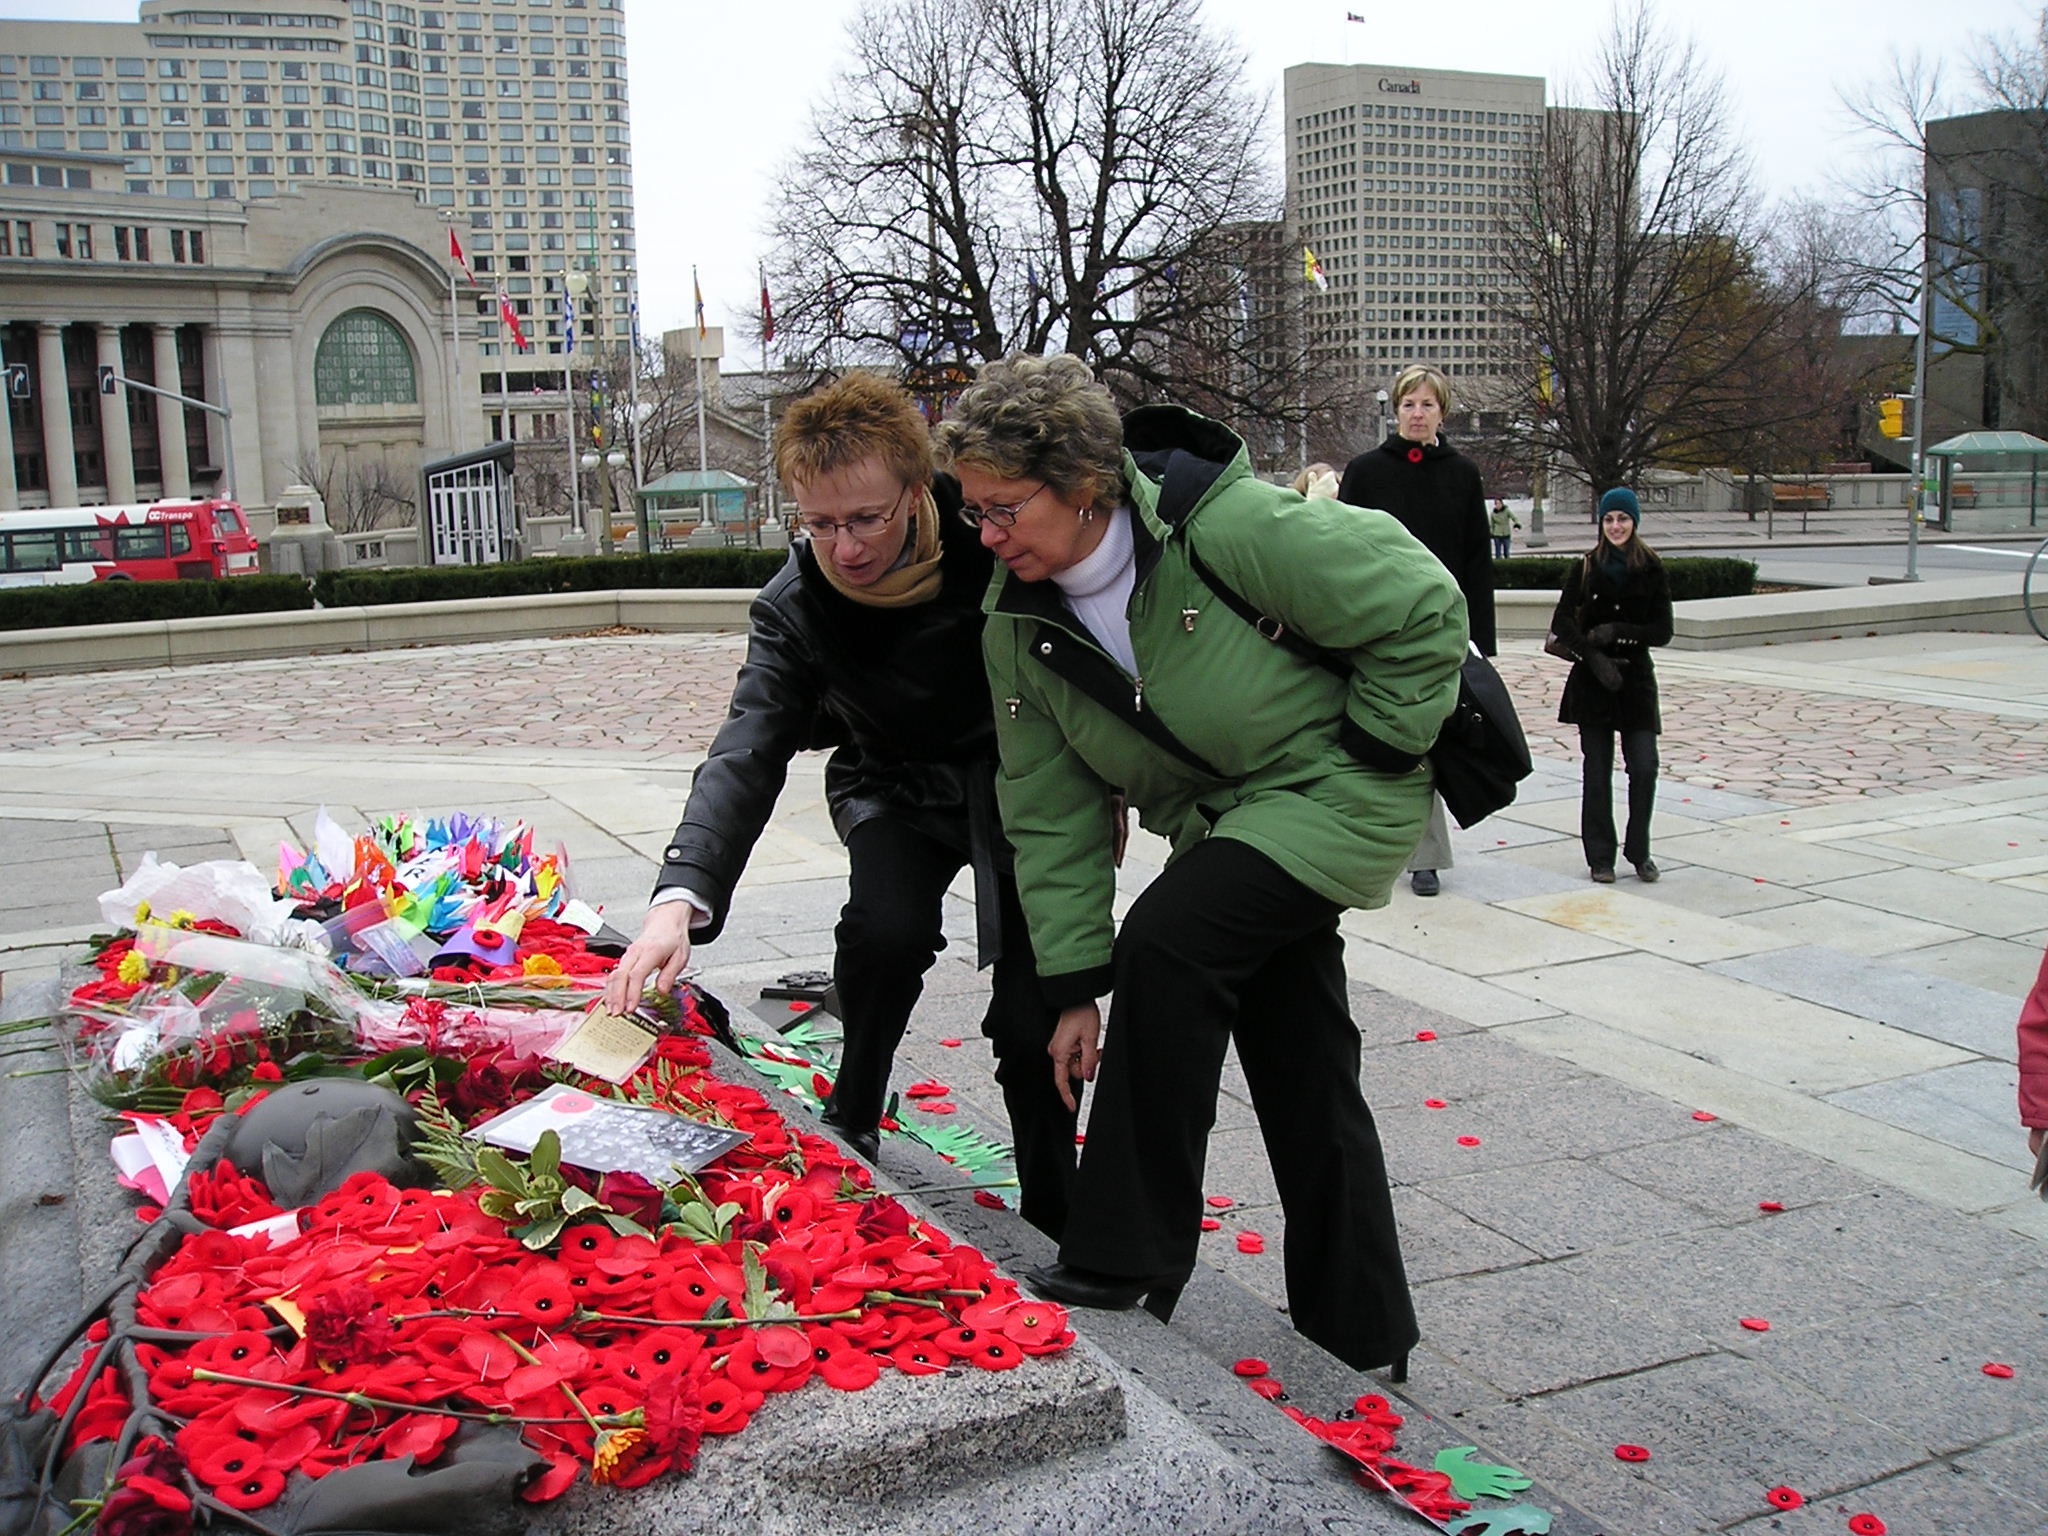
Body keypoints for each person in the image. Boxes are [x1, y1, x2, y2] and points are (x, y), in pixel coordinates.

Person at [934, 353, 1468, 1375]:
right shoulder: (1016, 621)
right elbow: (1048, 813)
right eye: (974, 514)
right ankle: (1361, 1328)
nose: (988, 537)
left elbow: (1422, 600)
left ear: (1082, 486)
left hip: (1335, 788)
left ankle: (1124, 1256)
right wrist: (1073, 986)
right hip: (1228, 826)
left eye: (1005, 510)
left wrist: (1378, 746)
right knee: (1299, 1049)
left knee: (1170, 942)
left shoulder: (1227, 528)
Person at [600, 372, 1076, 1237]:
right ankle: (855, 1102)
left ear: (913, 491)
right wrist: (679, 897)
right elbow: (746, 750)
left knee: (1033, 1003)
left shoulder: (991, 543)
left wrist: (1103, 785)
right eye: (819, 523)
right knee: (882, 934)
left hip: (1020, 783)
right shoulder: (797, 607)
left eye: (866, 518)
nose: (845, 547)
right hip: (894, 780)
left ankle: (1057, 1205)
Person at [1336, 365, 1494, 898]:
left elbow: (1477, 560)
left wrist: (1480, 640)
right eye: (1409, 405)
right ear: (1396, 411)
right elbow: (1338, 555)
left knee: (1429, 737)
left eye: (1428, 405)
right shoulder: (1365, 472)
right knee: (1385, 736)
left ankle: (1423, 852)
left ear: (1442, 412)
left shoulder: (1463, 475)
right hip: (1378, 627)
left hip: (1441, 630)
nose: (1418, 414)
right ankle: (1390, 846)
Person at [1545, 487, 1673, 884]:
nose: (1616, 526)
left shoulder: (1651, 568)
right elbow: (1562, 622)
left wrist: (1620, 631)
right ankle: (1600, 856)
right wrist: (1592, 655)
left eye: (1623, 519)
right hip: (1593, 682)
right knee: (1597, 770)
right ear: (1601, 524)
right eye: (1609, 519)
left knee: (1644, 766)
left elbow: (1662, 630)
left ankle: (1639, 850)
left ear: (1634, 522)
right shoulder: (1585, 567)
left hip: (1634, 681)